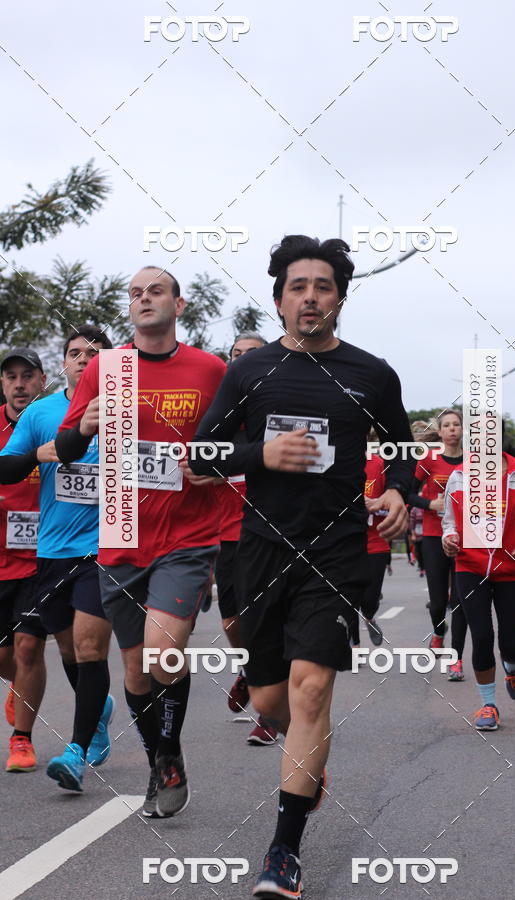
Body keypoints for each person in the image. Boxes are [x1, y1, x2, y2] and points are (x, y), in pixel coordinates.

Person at [189, 235, 413, 898]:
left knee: (312, 690)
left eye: (322, 286)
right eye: (297, 286)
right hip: (260, 547)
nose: (310, 296)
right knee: (270, 700)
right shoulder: (249, 374)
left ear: (339, 297)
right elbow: (203, 454)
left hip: (335, 550)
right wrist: (260, 454)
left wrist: (401, 488)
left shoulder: (372, 374)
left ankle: (282, 852)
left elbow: (401, 446)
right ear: (279, 297)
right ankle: (305, 760)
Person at [55, 267, 225, 818]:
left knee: (162, 649)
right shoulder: (107, 368)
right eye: (135, 293)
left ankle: (170, 751)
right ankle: (161, 763)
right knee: (134, 671)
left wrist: (213, 466)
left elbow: (236, 445)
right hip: (122, 533)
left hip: (187, 535)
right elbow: (63, 444)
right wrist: (83, 428)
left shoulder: (210, 369)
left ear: (179, 303)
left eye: (156, 291)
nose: (144, 298)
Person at [0, 329, 116, 790]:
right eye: (75, 353)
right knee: (69, 650)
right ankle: (98, 707)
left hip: (106, 549)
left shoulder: (131, 410)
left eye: (94, 353)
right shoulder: (43, 412)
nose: (84, 360)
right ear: (63, 363)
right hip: (52, 550)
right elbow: (5, 466)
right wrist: (36, 454)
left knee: (90, 648)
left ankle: (76, 751)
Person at [442, 433, 515, 730]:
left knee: (511, 643)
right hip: (470, 565)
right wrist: (449, 538)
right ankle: (488, 705)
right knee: (483, 636)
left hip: (513, 567)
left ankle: (512, 666)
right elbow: (449, 520)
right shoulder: (459, 476)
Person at [215, 331, 278, 746]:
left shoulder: (279, 416)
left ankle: (269, 714)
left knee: (269, 624)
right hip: (227, 534)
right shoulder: (219, 418)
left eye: (250, 356)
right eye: (235, 355)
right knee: (233, 621)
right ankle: (247, 668)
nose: (241, 362)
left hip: (273, 534)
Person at [0, 348, 47, 772]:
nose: (19, 384)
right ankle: (18, 682)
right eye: (11, 377)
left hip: (41, 559)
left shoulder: (54, 423)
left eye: (27, 376)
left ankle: (22, 740)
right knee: (7, 658)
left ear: (41, 379)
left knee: (28, 647)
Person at [408, 410, 467, 681]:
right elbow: (406, 492)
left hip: (467, 537)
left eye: (456, 424)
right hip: (434, 534)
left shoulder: (475, 462)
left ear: (463, 430)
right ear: (440, 432)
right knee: (438, 601)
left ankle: (456, 659)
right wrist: (429, 503)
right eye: (447, 425)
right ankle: (439, 632)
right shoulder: (428, 460)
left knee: (461, 600)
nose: (452, 429)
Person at [354, 439, 391, 646]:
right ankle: (354, 646)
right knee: (348, 598)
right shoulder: (334, 462)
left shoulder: (378, 463)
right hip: (345, 541)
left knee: (369, 599)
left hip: (376, 540)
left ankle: (369, 616)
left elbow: (397, 502)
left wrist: (376, 505)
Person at [408, 503, 425, 577]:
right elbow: (412, 523)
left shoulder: (426, 508)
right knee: (419, 552)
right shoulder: (414, 509)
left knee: (425, 552)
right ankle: (421, 568)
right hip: (417, 533)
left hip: (426, 533)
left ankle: (425, 568)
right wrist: (413, 534)